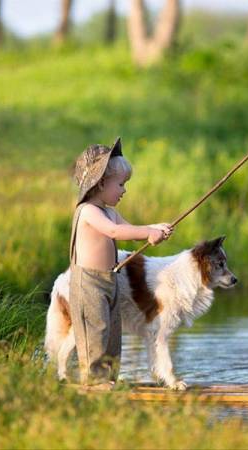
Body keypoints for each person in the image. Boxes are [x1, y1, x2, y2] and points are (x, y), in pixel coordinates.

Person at [69, 137, 172, 386]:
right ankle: (95, 380)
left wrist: (153, 229)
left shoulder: (110, 211)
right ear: (101, 183)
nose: (124, 190)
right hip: (88, 283)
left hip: (110, 278)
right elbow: (115, 232)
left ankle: (109, 377)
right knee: (95, 330)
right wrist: (147, 232)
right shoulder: (88, 212)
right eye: (121, 184)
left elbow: (130, 229)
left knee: (112, 330)